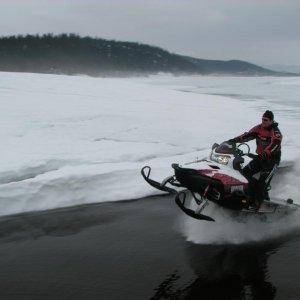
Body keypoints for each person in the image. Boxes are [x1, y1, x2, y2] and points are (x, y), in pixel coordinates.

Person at [228, 110, 282, 209]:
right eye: (262, 119)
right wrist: (232, 141)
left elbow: (275, 144)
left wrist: (266, 153)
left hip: (271, 161)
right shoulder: (258, 128)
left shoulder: (276, 132)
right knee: (243, 174)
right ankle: (251, 195)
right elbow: (247, 135)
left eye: (265, 120)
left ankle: (259, 204)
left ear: (271, 121)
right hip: (260, 158)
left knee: (263, 183)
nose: (263, 122)